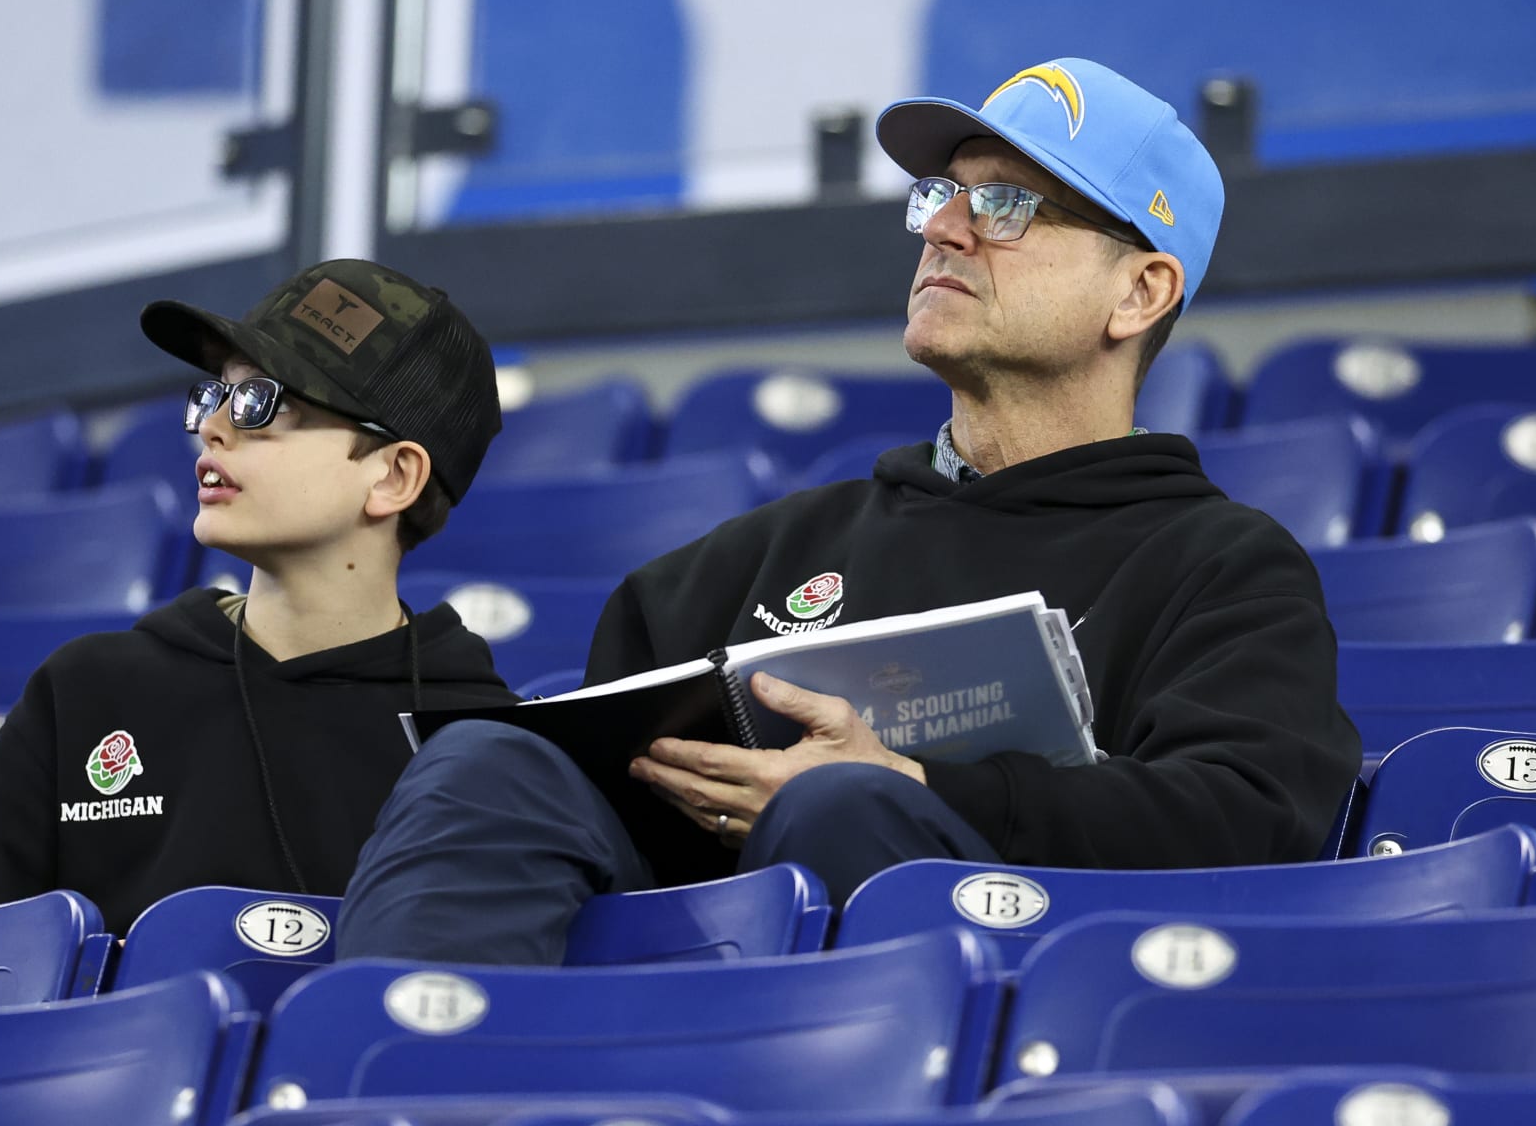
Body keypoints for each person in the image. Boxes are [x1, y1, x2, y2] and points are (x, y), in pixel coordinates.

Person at [336, 59, 1361, 965]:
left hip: (1002, 991)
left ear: (1139, 293)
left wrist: (923, 785)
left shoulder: (1225, 566)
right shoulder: (759, 553)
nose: (946, 229)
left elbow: (1246, 821)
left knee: (845, 799)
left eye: (1006, 207)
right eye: (939, 196)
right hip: (687, 975)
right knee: (485, 760)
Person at [0, 259, 518, 935]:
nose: (213, 428)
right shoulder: (85, 693)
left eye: (265, 402)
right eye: (216, 396)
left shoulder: (489, 744)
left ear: (393, 477)